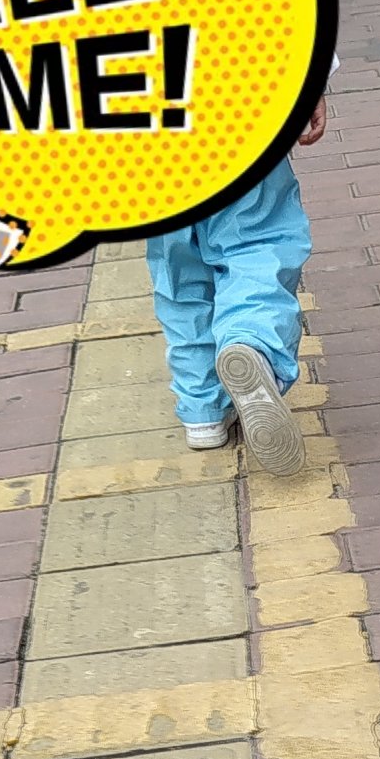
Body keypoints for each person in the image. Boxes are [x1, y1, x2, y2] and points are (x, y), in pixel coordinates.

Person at [145, 93, 327, 476]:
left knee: (178, 267)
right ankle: (251, 340)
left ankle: (203, 409)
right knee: (257, 239)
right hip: (235, 103)